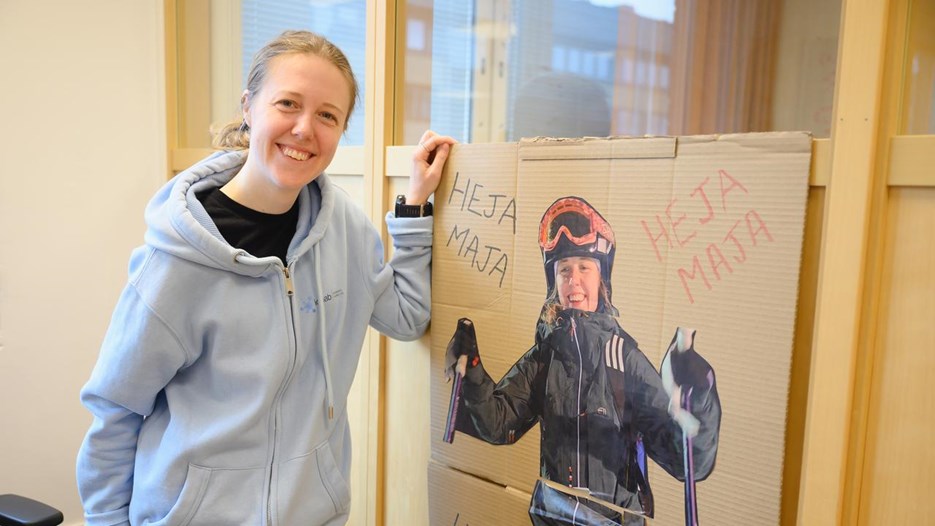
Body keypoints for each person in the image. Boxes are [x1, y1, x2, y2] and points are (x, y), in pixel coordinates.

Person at [76, 30, 456, 526]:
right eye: (288, 103)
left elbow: (406, 317)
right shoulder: (177, 259)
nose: (304, 129)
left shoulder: (344, 229)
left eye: (327, 116)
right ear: (249, 106)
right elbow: (116, 411)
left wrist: (415, 205)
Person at [445, 196, 721, 525]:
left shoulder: (623, 359)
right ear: (554, 281)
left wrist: (698, 397)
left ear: (602, 278)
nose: (573, 280)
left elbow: (686, 460)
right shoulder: (545, 357)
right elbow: (498, 423)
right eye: (564, 269)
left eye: (584, 267)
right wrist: (472, 370)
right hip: (554, 518)